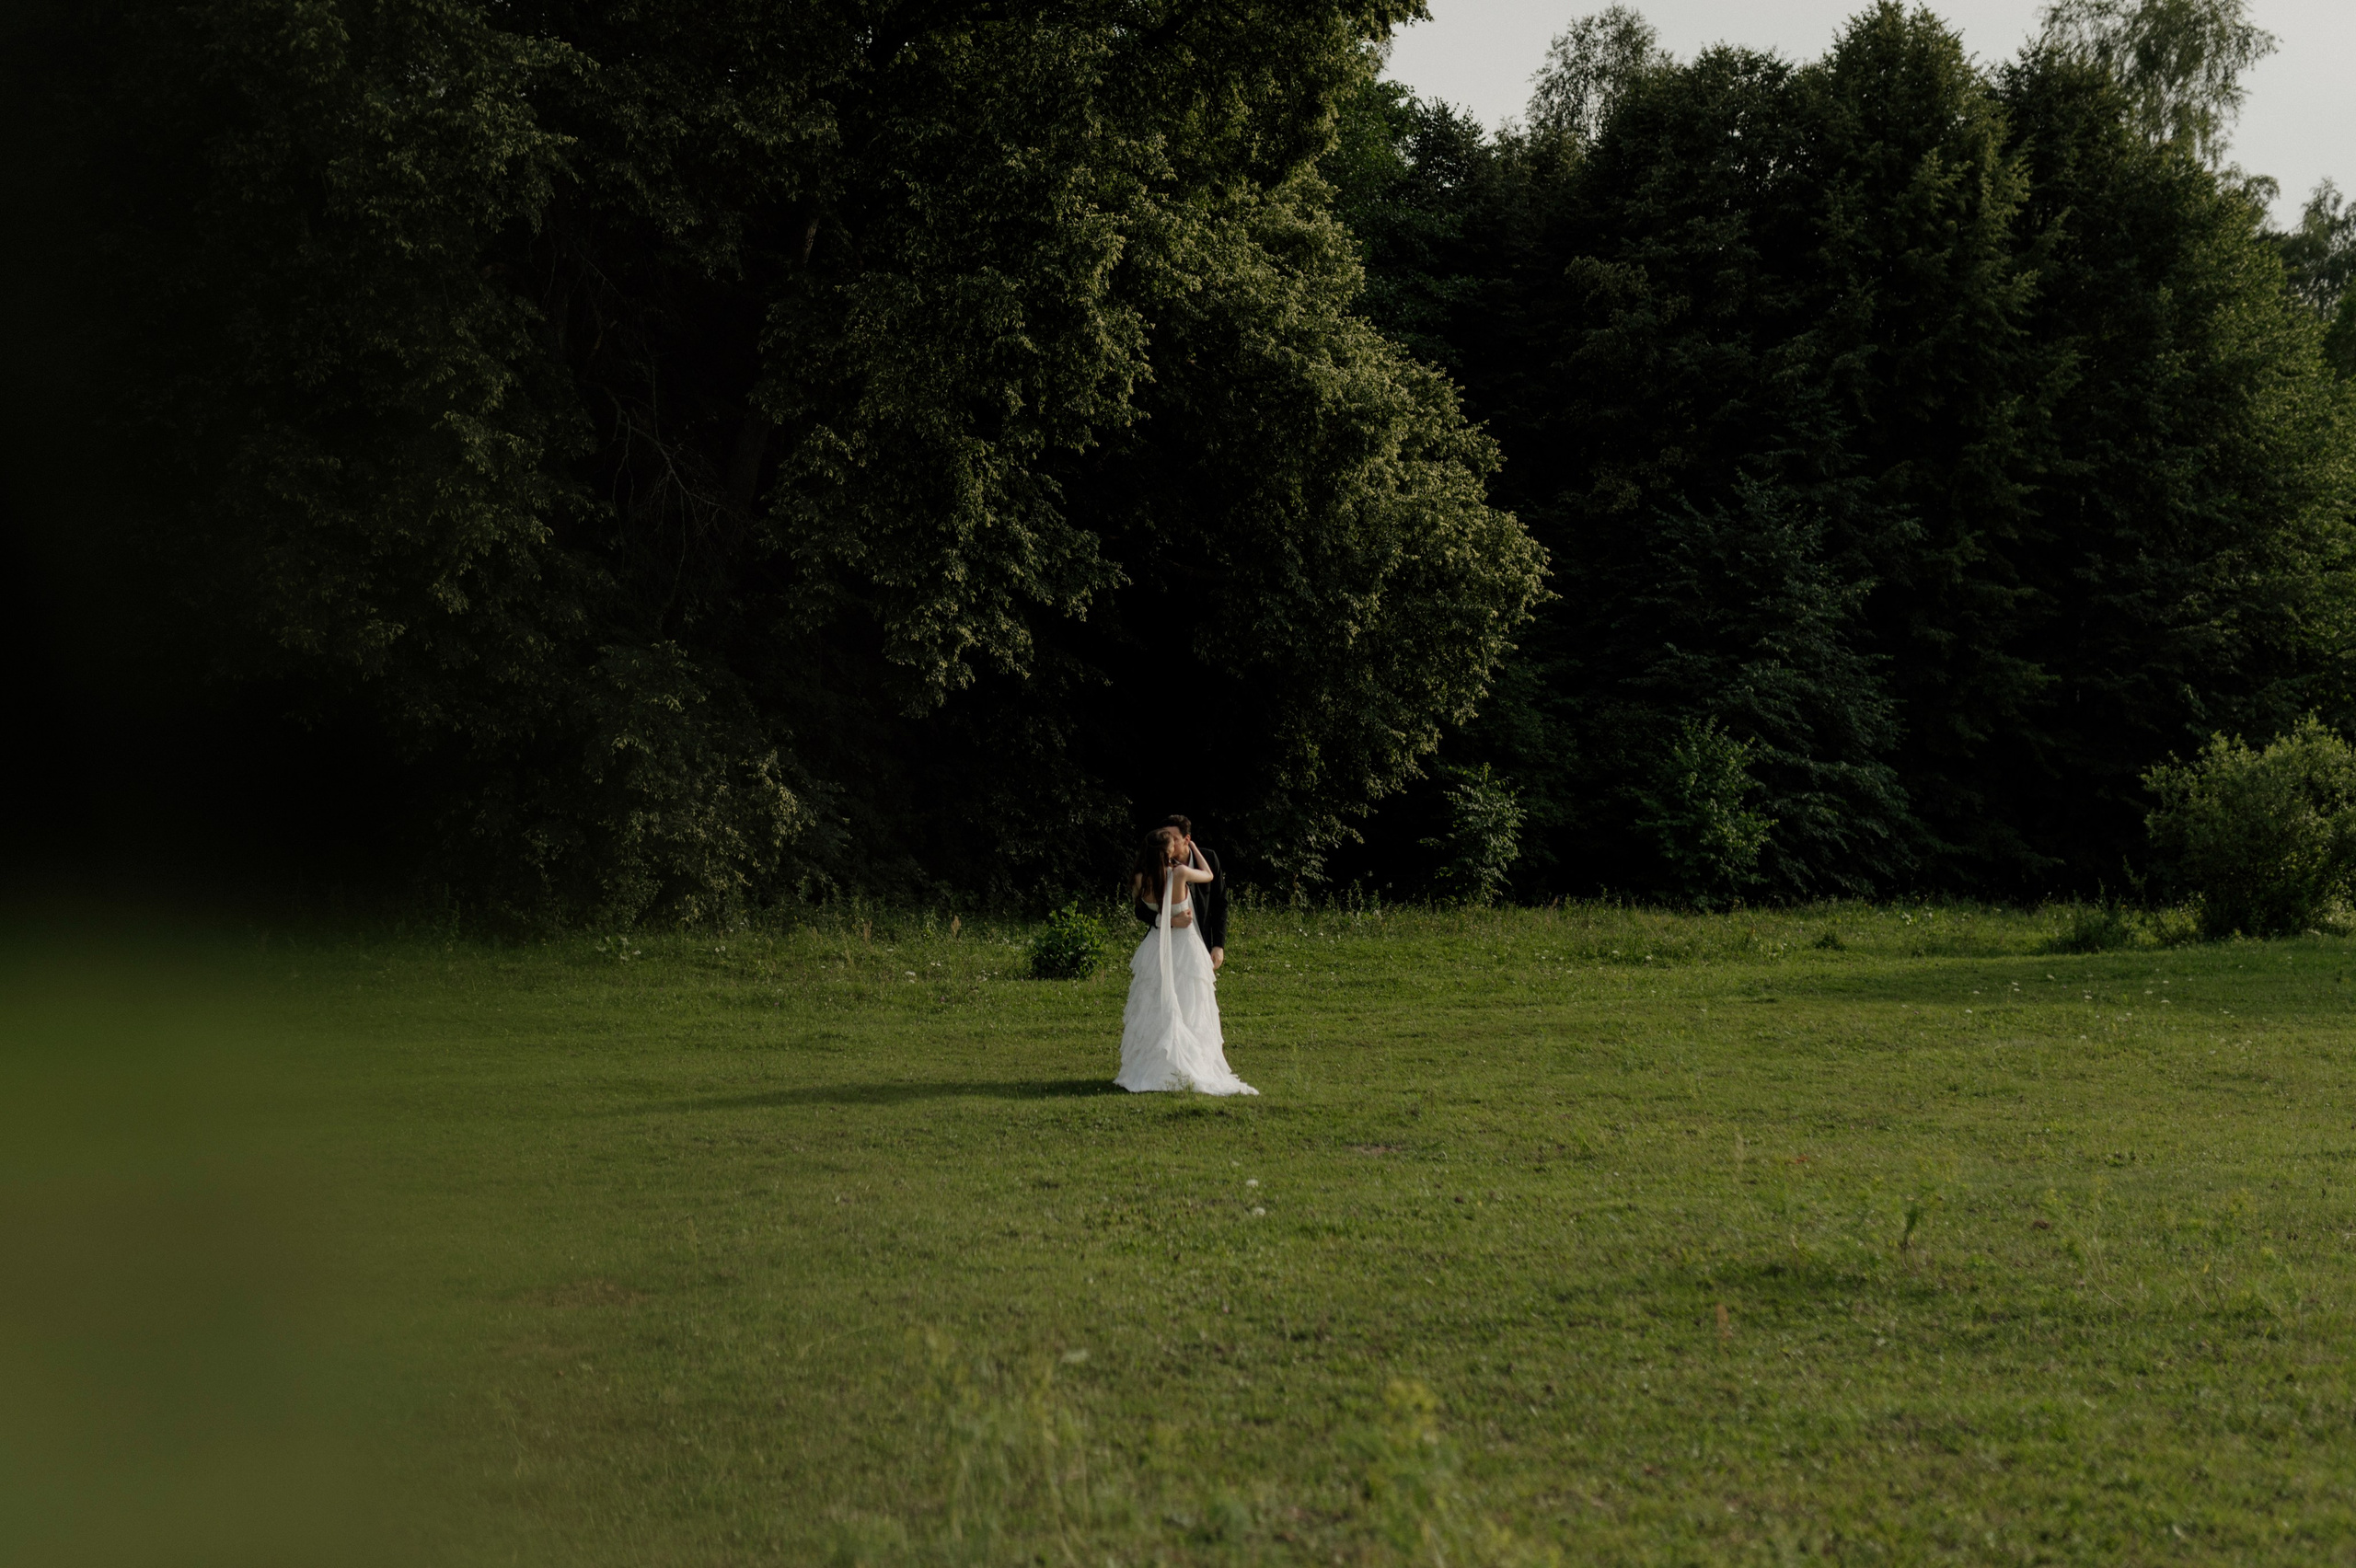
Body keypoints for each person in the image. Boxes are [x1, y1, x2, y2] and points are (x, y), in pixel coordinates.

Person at [1115, 825, 1256, 1096]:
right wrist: (1193, 849)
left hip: (1155, 948)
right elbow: (1208, 875)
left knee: (1156, 1006)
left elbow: (1139, 910)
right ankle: (1190, 1063)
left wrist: (1162, 919)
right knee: (1191, 1005)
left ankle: (1151, 1066)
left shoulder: (1140, 879)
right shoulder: (1178, 873)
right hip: (1184, 947)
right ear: (1168, 851)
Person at [1134, 814, 1225, 971]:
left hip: (1199, 940)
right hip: (1162, 942)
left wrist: (1218, 944)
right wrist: (1169, 921)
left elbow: (1220, 903)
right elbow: (1140, 911)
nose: (1169, 843)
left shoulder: (1209, 858)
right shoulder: (1153, 871)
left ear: (1187, 839)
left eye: (1173, 838)